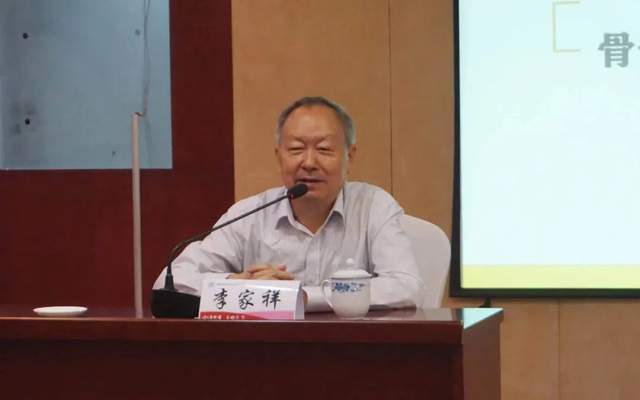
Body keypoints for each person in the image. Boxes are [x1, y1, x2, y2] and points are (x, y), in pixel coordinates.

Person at [153, 96, 424, 311]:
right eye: (296, 149)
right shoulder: (249, 215)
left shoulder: (374, 207)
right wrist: (241, 284)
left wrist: (303, 296)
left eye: (324, 149)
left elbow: (406, 287)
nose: (309, 162)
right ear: (279, 156)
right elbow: (171, 282)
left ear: (349, 156)